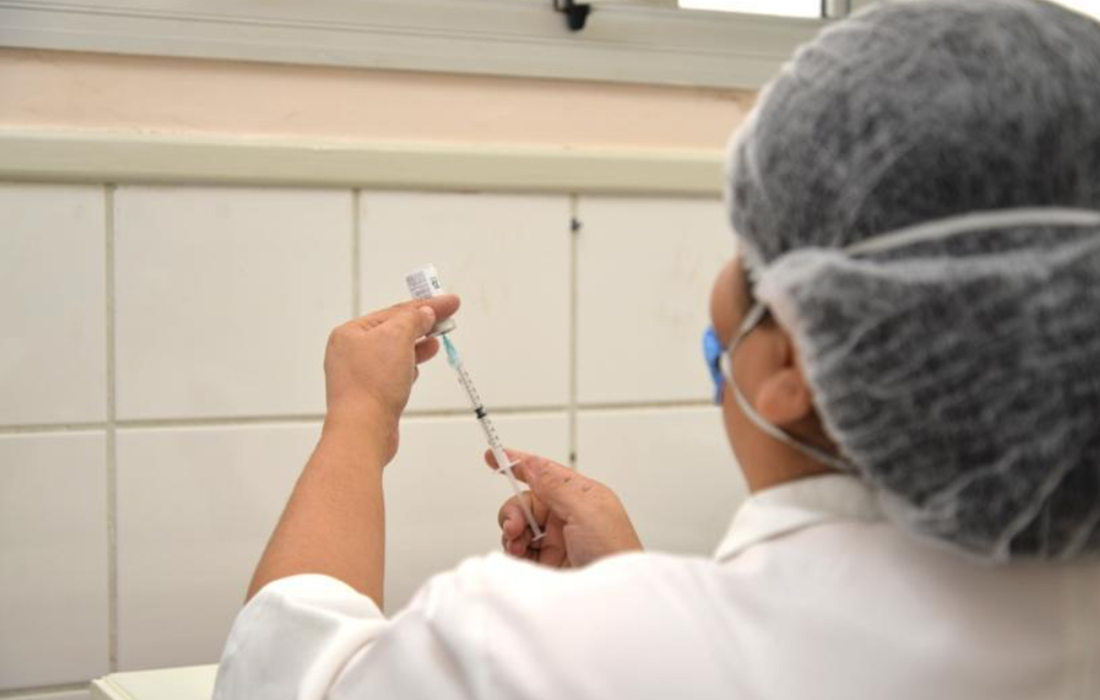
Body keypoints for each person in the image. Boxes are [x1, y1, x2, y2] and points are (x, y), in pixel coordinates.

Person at [213, 1, 1100, 697]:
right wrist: (633, 586)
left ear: (793, 364)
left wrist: (358, 420)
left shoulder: (527, 653)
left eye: (751, 252)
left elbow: (289, 680)